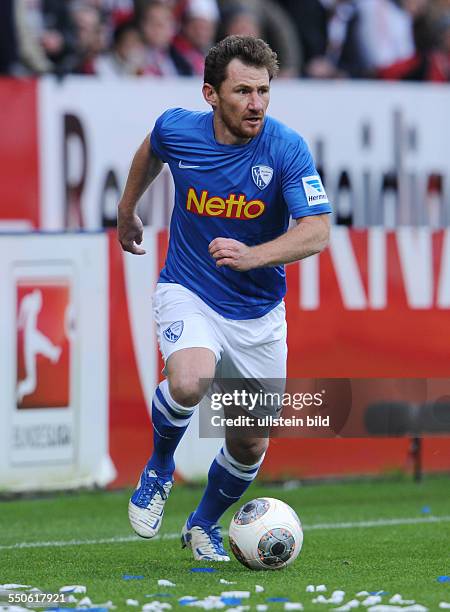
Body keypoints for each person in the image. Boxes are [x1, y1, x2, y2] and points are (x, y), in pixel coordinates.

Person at [117, 35, 331, 561]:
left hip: (258, 313)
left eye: (263, 91)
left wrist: (254, 255)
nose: (256, 103)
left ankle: (203, 524)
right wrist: (127, 210)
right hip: (189, 288)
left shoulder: (285, 147)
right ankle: (159, 468)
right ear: (211, 94)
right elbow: (151, 150)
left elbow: (318, 230)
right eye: (243, 91)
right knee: (190, 379)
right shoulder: (178, 128)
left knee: (250, 443)